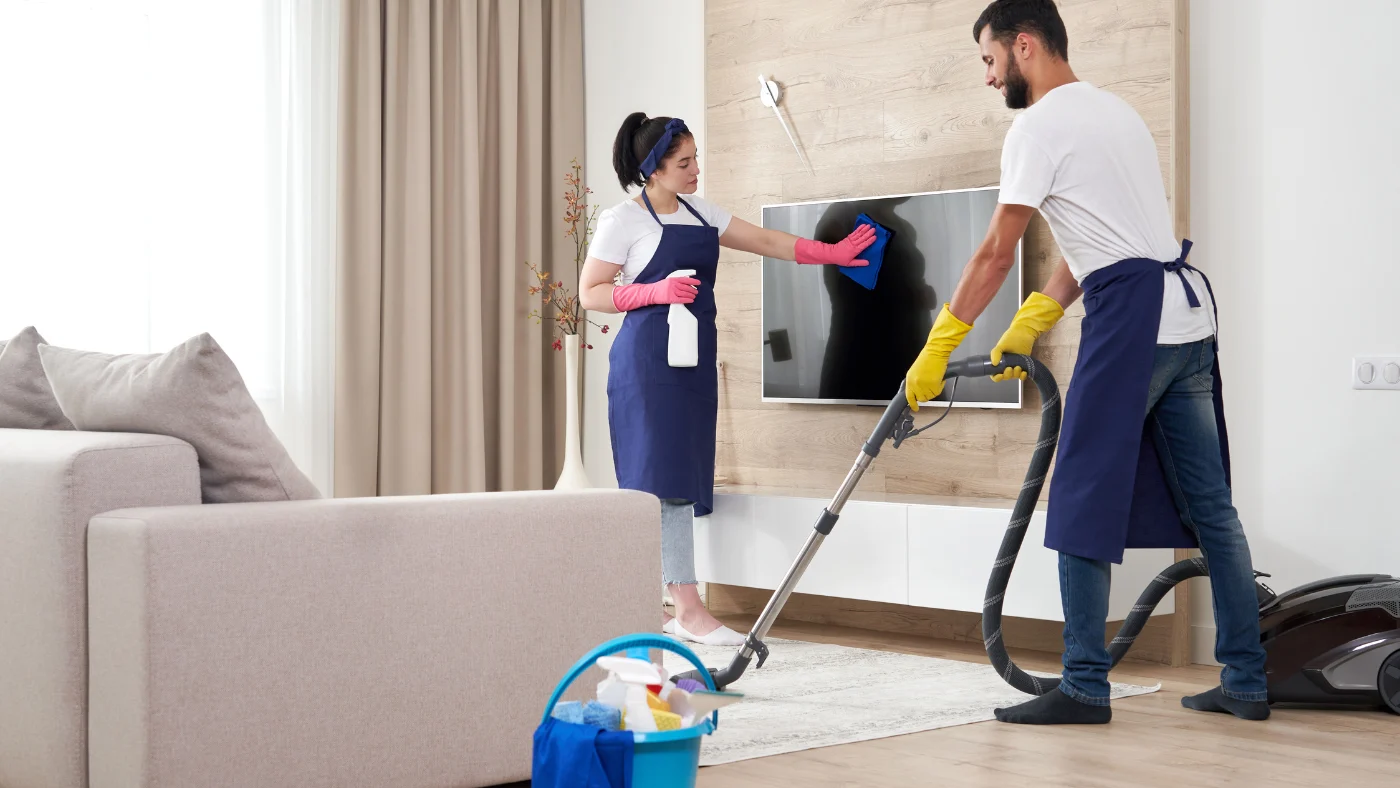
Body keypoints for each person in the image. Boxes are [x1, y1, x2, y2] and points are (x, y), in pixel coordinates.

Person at [903, 0, 1270, 724]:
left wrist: (937, 345)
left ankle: (1083, 685)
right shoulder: (1116, 112)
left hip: (1132, 321)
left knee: (1078, 495)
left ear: (1026, 45)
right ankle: (1248, 680)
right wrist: (1035, 317)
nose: (987, 77)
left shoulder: (1035, 127)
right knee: (1212, 509)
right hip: (1188, 317)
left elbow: (994, 252)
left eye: (988, 59)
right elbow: (1102, 236)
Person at [579, 113, 875, 646]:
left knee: (681, 479)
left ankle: (665, 605)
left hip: (692, 360)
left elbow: (765, 240)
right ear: (654, 170)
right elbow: (591, 293)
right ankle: (688, 608)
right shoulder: (621, 221)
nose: (697, 169)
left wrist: (831, 254)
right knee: (662, 484)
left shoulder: (700, 212)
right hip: (646, 365)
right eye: (684, 162)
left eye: (696, 158)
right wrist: (654, 292)